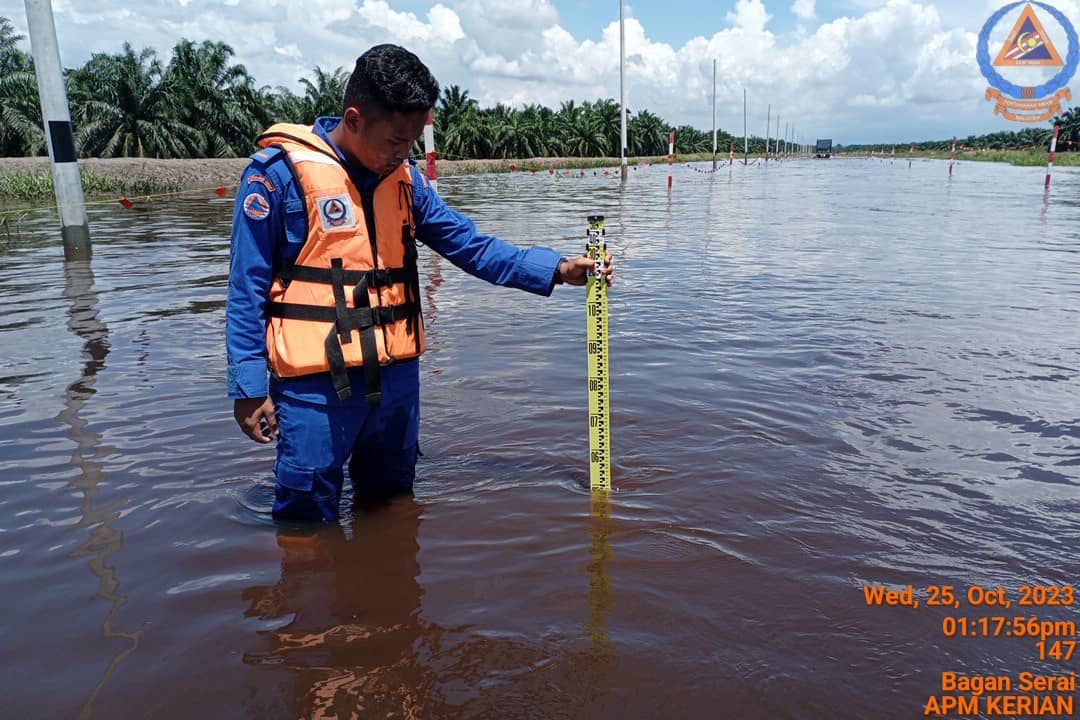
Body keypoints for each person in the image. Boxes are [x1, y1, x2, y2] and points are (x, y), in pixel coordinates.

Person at [226, 44, 614, 523]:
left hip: (395, 379)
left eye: (412, 141)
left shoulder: (408, 183)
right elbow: (246, 288)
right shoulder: (277, 178)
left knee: (391, 510)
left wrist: (557, 269)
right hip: (314, 385)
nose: (403, 154)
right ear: (354, 118)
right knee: (305, 520)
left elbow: (472, 246)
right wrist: (247, 387)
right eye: (394, 141)